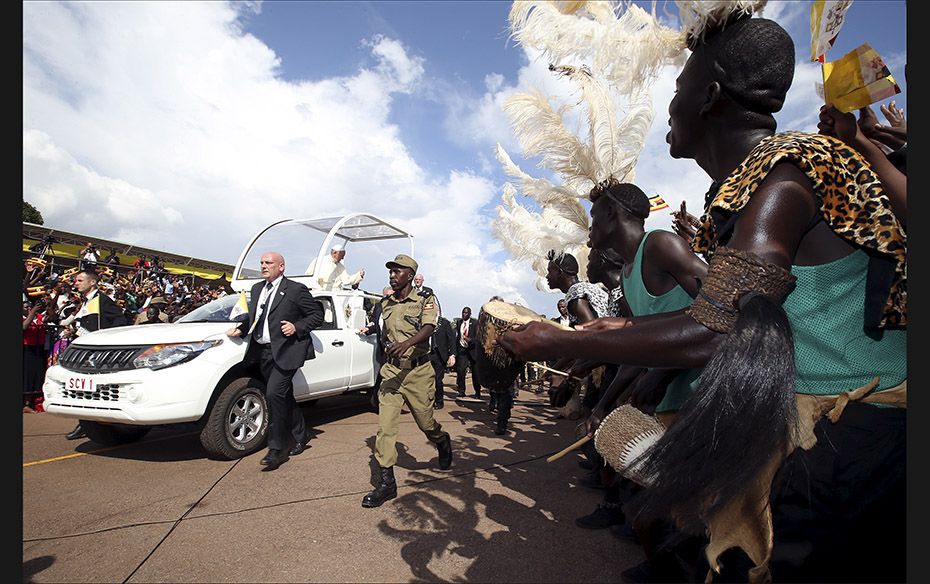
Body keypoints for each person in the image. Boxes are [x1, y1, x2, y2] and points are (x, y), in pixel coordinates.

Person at [500, 16, 906, 583]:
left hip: (850, 442)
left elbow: (720, 328)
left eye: (679, 87)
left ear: (710, 95)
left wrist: (561, 339)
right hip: (827, 441)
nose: (671, 105)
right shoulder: (750, 183)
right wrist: (606, 337)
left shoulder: (784, 175)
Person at [362, 254, 453, 508]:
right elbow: (382, 330)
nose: (392, 275)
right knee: (385, 427)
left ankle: (441, 441)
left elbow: (429, 327)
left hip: (418, 373)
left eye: (397, 271)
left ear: (410, 276)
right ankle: (386, 484)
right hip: (392, 373)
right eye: (391, 271)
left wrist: (407, 344)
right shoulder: (386, 303)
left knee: (426, 422)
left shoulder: (425, 300)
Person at [226, 252, 324, 471]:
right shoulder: (257, 289)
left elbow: (317, 315)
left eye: (268, 263)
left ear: (281, 267)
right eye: (261, 262)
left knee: (273, 395)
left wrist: (296, 327)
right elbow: (255, 318)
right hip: (262, 352)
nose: (263, 266)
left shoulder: (295, 289)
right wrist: (241, 329)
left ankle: (277, 449)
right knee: (283, 395)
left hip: (287, 351)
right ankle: (302, 433)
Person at [61, 269, 129, 440]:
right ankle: (87, 422)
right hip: (82, 349)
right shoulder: (84, 302)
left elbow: (120, 321)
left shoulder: (103, 300)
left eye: (79, 280)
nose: (75, 283)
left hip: (96, 353)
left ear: (92, 282)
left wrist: (105, 340)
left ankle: (88, 423)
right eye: (76, 281)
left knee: (90, 386)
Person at [359, 285, 394, 412]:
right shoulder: (379, 307)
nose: (389, 298)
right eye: (386, 296)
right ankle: (377, 403)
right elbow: (375, 323)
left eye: (391, 295)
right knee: (382, 375)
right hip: (383, 348)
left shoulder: (399, 307)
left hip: (397, 348)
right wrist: (368, 329)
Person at [453, 306, 481, 399]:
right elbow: (458, 335)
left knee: (476, 372)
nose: (464, 314)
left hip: (472, 350)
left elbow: (478, 338)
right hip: (462, 349)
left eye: (466, 313)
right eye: (463, 313)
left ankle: (477, 392)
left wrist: (470, 340)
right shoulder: (459, 322)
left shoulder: (475, 323)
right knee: (461, 370)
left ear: (470, 314)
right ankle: (461, 391)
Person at [429, 314, 455, 410]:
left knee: (437, 379)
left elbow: (451, 339)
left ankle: (439, 400)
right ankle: (428, 401)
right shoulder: (425, 321)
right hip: (428, 354)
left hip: (440, 355)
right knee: (427, 379)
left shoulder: (444, 323)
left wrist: (452, 355)